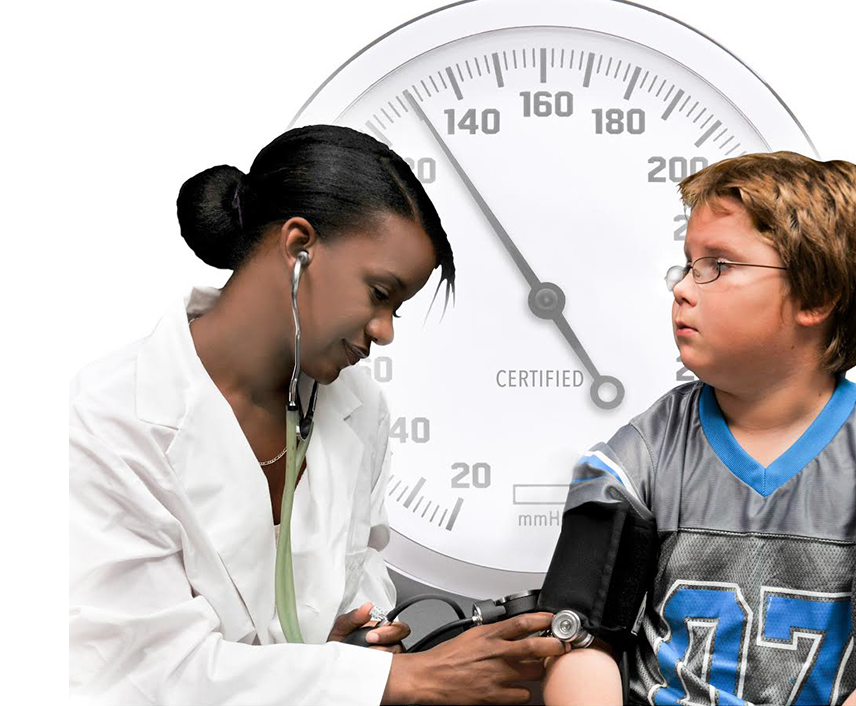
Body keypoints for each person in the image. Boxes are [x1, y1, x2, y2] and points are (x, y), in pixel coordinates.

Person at [70, 124, 563, 705]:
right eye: (380, 294)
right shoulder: (106, 422)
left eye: (397, 310)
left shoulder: (358, 407)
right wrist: (392, 681)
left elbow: (358, 574)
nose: (383, 332)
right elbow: (140, 676)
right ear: (299, 246)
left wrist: (355, 641)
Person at [541, 152, 856, 705]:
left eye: (718, 265)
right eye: (687, 264)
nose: (683, 288)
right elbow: (580, 644)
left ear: (817, 296)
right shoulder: (637, 456)